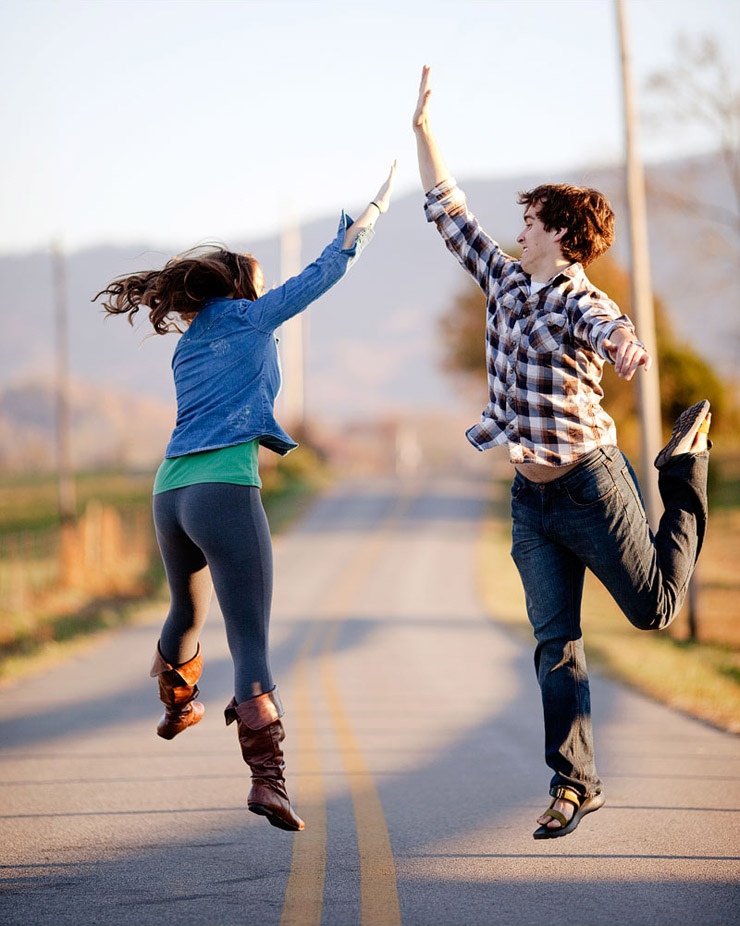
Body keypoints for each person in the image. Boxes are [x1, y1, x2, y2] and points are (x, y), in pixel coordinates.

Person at [412, 65, 712, 839]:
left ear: (564, 234)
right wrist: (424, 133)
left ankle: (684, 473)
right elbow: (449, 215)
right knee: (554, 646)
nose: (522, 226)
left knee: (654, 611)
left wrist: (630, 351)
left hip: (590, 488)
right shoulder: (507, 284)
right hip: (531, 501)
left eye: (535, 218)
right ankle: (575, 785)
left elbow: (612, 329)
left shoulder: (581, 297)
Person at [94, 162, 397, 833]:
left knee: (185, 610)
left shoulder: (192, 341)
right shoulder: (252, 317)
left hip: (169, 490)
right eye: (256, 280)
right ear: (241, 287)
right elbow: (324, 273)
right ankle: (269, 780)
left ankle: (178, 704)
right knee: (251, 641)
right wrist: (369, 219)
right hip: (224, 490)